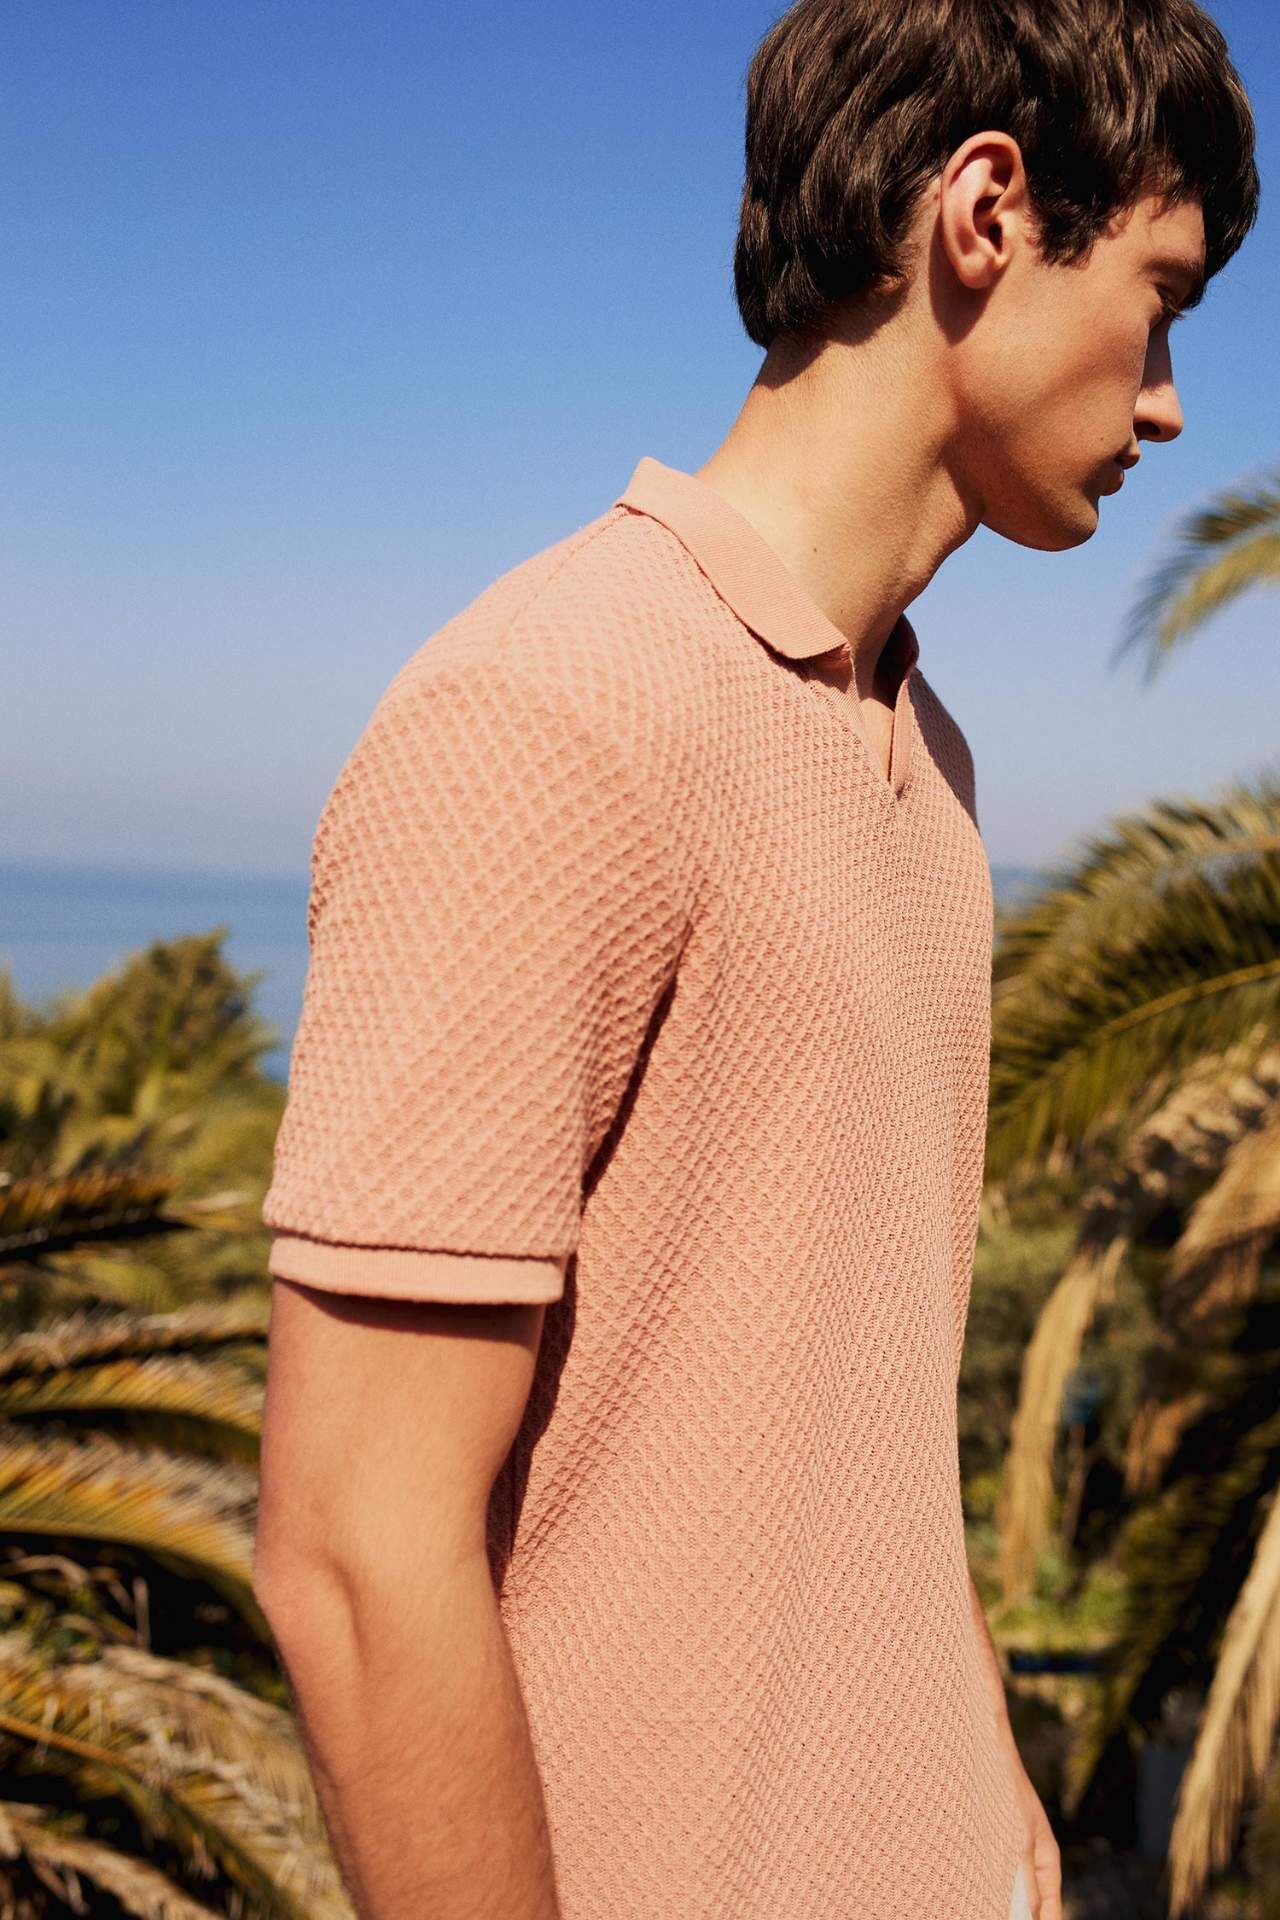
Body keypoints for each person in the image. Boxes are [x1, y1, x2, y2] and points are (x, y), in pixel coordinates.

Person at [252, 2, 1259, 1916]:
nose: (1169, 403)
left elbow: (852, 1421)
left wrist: (993, 1798)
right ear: (984, 214)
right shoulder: (548, 718)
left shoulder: (926, 764)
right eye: (1162, 300)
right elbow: (358, 1565)